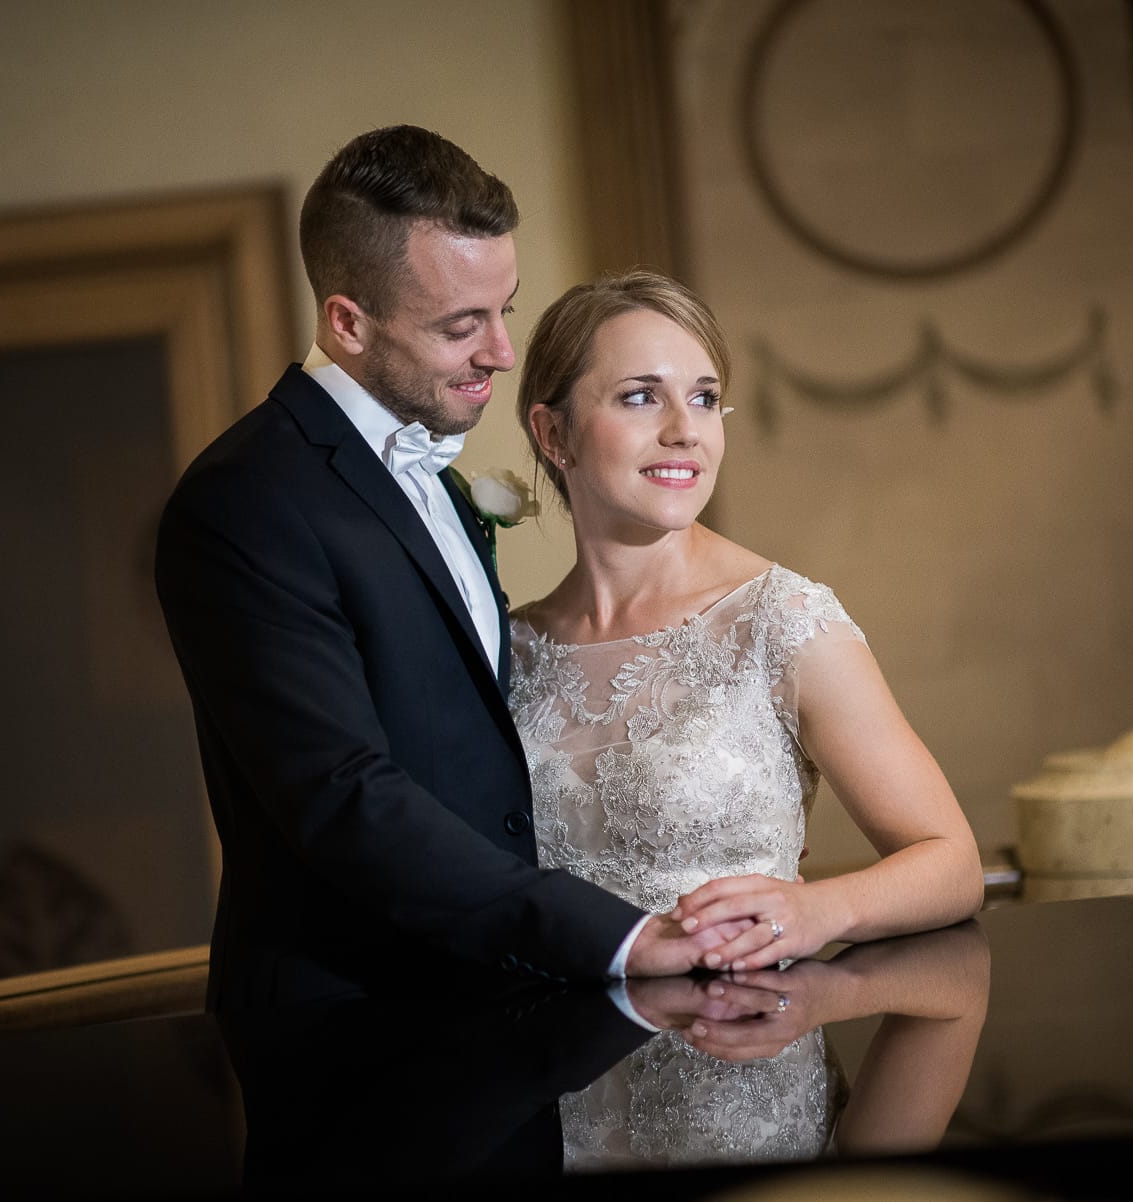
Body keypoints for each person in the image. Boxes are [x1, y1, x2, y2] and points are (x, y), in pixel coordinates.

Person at [153, 128, 741, 1021]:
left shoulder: (438, 476)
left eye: (504, 308)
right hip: (355, 1025)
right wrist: (615, 940)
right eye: (461, 325)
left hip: (501, 1007)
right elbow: (342, 794)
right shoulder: (244, 501)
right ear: (347, 321)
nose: (502, 352)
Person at [508, 269, 984, 1165]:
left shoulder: (783, 620)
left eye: (706, 397)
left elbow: (951, 863)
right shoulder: (507, 652)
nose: (685, 429)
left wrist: (811, 915)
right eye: (641, 396)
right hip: (556, 1121)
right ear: (553, 431)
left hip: (750, 1110)